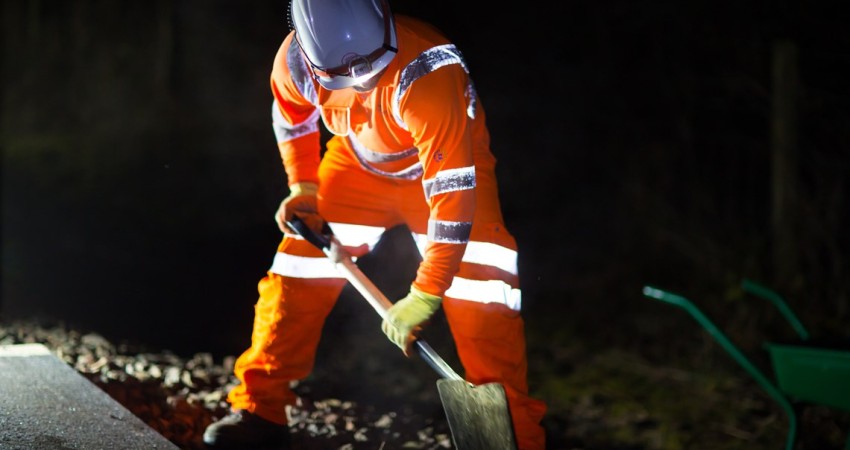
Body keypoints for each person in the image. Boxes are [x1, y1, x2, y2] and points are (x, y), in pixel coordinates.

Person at [202, 0, 547, 448]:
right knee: (297, 271)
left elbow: (452, 192)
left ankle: (514, 439)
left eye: (371, 67)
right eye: (344, 76)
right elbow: (290, 117)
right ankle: (258, 410)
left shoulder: (428, 72)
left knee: (483, 294)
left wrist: (426, 291)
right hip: (358, 164)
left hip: (446, 169)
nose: (362, 81)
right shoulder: (294, 63)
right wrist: (304, 188)